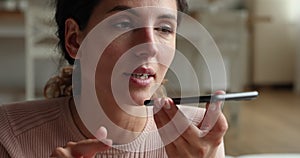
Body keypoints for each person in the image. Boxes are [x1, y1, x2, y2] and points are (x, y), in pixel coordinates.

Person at [0, 0, 228, 157]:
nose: (150, 46)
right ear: (74, 40)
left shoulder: (200, 139)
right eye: (124, 24)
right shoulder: (10, 135)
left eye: (164, 28)